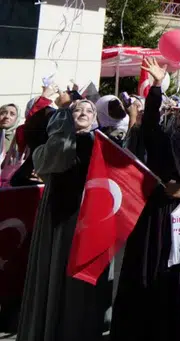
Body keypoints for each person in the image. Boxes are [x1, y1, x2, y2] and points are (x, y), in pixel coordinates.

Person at [112, 58, 180, 341]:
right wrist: (157, 86)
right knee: (146, 274)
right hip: (153, 218)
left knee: (174, 283)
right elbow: (148, 126)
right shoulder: (164, 141)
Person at [16, 100, 111, 340]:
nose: (83, 113)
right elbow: (54, 157)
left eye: (90, 111)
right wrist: (62, 125)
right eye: (77, 109)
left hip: (89, 215)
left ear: (96, 119)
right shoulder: (54, 145)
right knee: (56, 263)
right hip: (59, 216)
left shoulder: (103, 145)